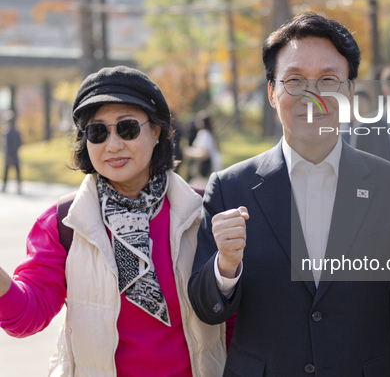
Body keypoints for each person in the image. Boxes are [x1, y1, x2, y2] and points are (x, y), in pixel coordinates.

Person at [188, 12, 390, 376]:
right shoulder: (230, 187)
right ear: (272, 91)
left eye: (329, 80)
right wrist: (225, 266)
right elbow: (209, 310)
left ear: (350, 91)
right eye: (295, 80)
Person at [0, 66, 226, 376]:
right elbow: (26, 316)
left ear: (156, 130)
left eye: (128, 128)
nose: (113, 145)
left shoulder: (205, 211)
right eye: (98, 132)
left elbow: (237, 319)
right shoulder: (64, 223)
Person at [184, 113, 223, 180]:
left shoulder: (204, 133)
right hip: (213, 171)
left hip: (204, 172)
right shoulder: (211, 133)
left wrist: (189, 152)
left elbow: (204, 154)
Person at [2, 110, 22, 194]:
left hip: (10, 154)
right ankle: (18, 186)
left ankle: (6, 186)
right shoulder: (17, 132)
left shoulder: (8, 132)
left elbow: (7, 145)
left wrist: (9, 155)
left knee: (8, 170)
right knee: (15, 170)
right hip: (15, 154)